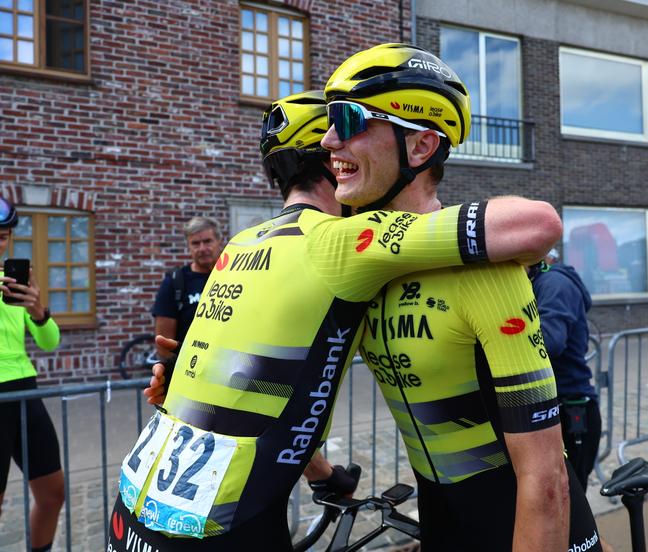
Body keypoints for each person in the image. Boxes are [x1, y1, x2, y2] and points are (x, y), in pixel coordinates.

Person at [111, 88, 561, 550]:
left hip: (133, 513)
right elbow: (535, 225)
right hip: (221, 525)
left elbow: (267, 392)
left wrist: (325, 474)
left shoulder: (239, 245)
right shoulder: (340, 240)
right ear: (331, 167)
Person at [323, 43, 602, 551]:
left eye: (348, 119)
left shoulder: (485, 272)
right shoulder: (360, 264)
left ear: (422, 147)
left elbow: (545, 475)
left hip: (523, 519)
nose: (328, 140)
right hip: (441, 516)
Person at [0, 198, 64, 552]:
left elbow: (49, 341)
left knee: (53, 494)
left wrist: (38, 310)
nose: (0, 242)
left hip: (25, 391)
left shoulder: (11, 283)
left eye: (4, 236)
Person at [529, 251, 600, 492]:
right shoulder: (538, 281)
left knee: (570, 511)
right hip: (552, 405)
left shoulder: (553, 283)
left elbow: (551, 341)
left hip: (571, 409)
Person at [151, 216, 223, 357]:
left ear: (219, 242)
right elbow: (164, 346)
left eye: (207, 241)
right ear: (188, 246)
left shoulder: (234, 275)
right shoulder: (175, 282)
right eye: (195, 243)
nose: (202, 248)